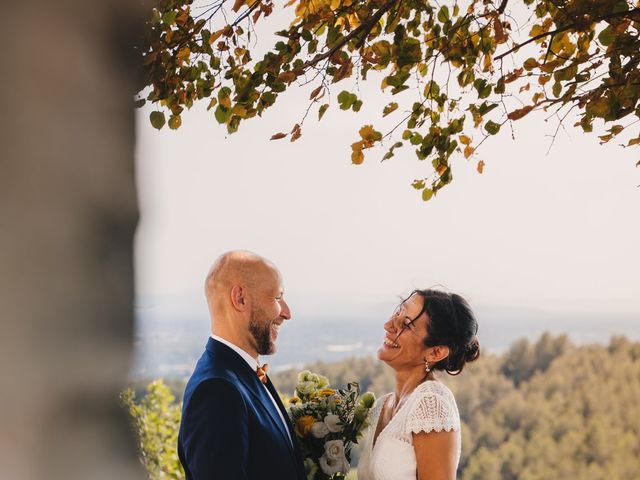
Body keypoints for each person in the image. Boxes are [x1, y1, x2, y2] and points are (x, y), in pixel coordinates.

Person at [178, 250, 306, 480]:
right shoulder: (216, 390)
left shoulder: (243, 372)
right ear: (240, 299)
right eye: (277, 298)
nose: (287, 313)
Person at [358, 289, 480, 480]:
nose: (388, 325)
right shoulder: (382, 405)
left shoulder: (431, 404)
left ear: (436, 352)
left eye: (406, 324)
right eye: (398, 313)